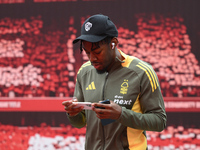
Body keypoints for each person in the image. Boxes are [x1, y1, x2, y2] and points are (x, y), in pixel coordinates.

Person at [62, 14, 167, 150]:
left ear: (113, 43)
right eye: (87, 53)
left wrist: (121, 114)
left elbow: (159, 121)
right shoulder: (84, 72)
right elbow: (80, 122)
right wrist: (73, 113)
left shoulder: (141, 72)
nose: (92, 58)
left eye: (97, 51)